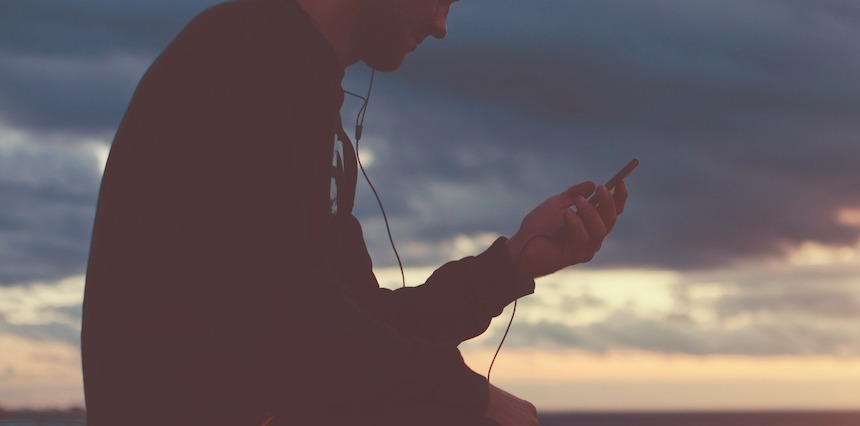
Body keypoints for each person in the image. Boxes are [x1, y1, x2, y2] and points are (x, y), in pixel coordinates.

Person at [81, 0, 628, 424]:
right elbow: (284, 323)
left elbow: (356, 321)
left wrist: (512, 263)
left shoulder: (295, 79)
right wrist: (468, 399)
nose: (441, 24)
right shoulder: (253, 58)